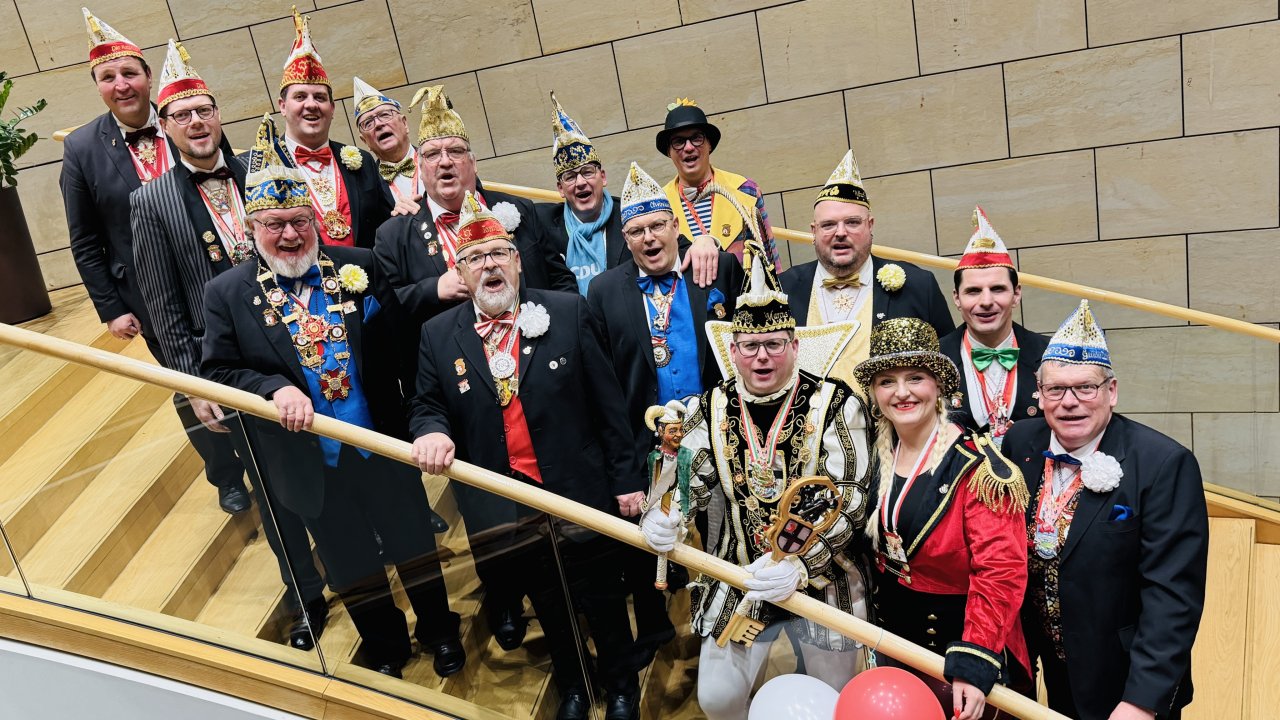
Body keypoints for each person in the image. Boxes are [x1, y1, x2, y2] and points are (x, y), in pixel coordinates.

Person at [201, 116, 464, 680]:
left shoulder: (358, 266)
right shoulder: (226, 294)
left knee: (413, 545)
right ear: (252, 228)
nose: (291, 235)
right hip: (307, 462)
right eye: (275, 225)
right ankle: (388, 646)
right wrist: (273, 387)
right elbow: (219, 368)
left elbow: (401, 349)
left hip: (382, 445)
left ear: (314, 219)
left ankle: (441, 631)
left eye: (299, 221)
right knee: (350, 564)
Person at [409, 193, 642, 720]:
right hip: (506, 504)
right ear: (460, 272)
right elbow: (425, 404)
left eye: (498, 254)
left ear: (517, 261)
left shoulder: (565, 311)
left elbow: (610, 405)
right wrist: (431, 431)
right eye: (475, 258)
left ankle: (622, 684)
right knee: (549, 602)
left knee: (603, 596)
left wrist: (626, 480)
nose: (489, 265)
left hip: (581, 491)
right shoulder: (437, 335)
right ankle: (575, 685)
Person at [130, 41, 328, 649]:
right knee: (271, 493)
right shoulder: (150, 200)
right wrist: (197, 387)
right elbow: (162, 306)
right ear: (164, 127)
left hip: (305, 343)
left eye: (205, 110)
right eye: (182, 114)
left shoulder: (265, 169)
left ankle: (361, 563)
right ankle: (305, 597)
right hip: (232, 367)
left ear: (219, 115)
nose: (196, 122)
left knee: (335, 463)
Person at [639, 236, 872, 720]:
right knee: (717, 700)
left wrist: (800, 563)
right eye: (749, 346)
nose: (761, 357)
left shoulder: (837, 403)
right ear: (734, 349)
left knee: (836, 701)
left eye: (772, 344)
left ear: (793, 344)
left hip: (823, 574)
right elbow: (688, 479)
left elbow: (849, 498)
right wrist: (666, 518)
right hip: (738, 574)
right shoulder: (711, 405)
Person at [1003, 300, 1208, 720]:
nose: (1070, 402)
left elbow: (1173, 597)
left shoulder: (1163, 464)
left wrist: (1141, 701)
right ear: (1039, 395)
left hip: (1126, 674)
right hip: (1052, 666)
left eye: (1086, 387)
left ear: (1111, 391)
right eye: (1056, 389)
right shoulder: (1019, 444)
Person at [586, 161, 742, 663]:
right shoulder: (604, 291)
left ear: (677, 225)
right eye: (636, 231)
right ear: (625, 238)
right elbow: (605, 388)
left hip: (718, 433)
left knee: (724, 529)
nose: (649, 238)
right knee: (649, 542)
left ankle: (726, 619)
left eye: (657, 226)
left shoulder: (713, 270)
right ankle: (655, 629)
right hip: (645, 441)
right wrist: (622, 469)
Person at [852, 317, 1031, 720]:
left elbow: (1001, 572)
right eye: (886, 381)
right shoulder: (873, 457)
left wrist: (974, 662)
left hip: (960, 646)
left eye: (915, 377)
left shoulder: (982, 471)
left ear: (939, 385)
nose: (901, 393)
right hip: (895, 639)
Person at [374, 85, 575, 387]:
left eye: (455, 151)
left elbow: (561, 283)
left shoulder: (518, 209)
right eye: (431, 154)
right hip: (460, 384)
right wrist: (432, 290)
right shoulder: (394, 235)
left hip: (541, 369)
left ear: (473, 162)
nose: (445, 162)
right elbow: (387, 319)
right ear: (420, 167)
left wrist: (565, 341)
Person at [780, 148, 954, 386]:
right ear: (814, 232)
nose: (840, 233)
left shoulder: (918, 285)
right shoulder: (783, 288)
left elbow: (948, 366)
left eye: (852, 222)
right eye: (829, 225)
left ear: (870, 225)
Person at [61, 9, 169, 346]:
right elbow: (85, 241)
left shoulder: (187, 119)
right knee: (191, 385)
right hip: (147, 293)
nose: (121, 85)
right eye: (108, 77)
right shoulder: (80, 148)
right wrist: (111, 308)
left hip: (215, 276)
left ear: (148, 76)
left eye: (129, 73)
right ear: (98, 87)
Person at [275, 7, 395, 248]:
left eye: (319, 97)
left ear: (332, 108)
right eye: (300, 97)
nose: (311, 105)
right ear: (282, 106)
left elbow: (387, 227)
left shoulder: (362, 161)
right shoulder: (262, 164)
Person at [939, 207, 1048, 444]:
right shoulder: (935, 359)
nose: (986, 302)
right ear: (957, 298)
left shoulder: (1049, 354)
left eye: (997, 289)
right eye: (973, 291)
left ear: (1016, 294)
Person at [657, 98, 781, 275]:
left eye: (697, 138)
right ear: (669, 151)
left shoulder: (746, 190)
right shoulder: (659, 204)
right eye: (678, 141)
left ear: (709, 145)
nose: (689, 147)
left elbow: (771, 260)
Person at [535, 93, 629, 294]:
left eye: (587, 172)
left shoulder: (629, 213)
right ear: (560, 188)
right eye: (569, 177)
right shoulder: (542, 223)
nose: (580, 182)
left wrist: (705, 242)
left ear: (602, 177)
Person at [352, 76, 422, 205]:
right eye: (368, 123)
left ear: (404, 124)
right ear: (364, 141)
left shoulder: (438, 158)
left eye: (384, 115)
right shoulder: (365, 189)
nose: (378, 124)